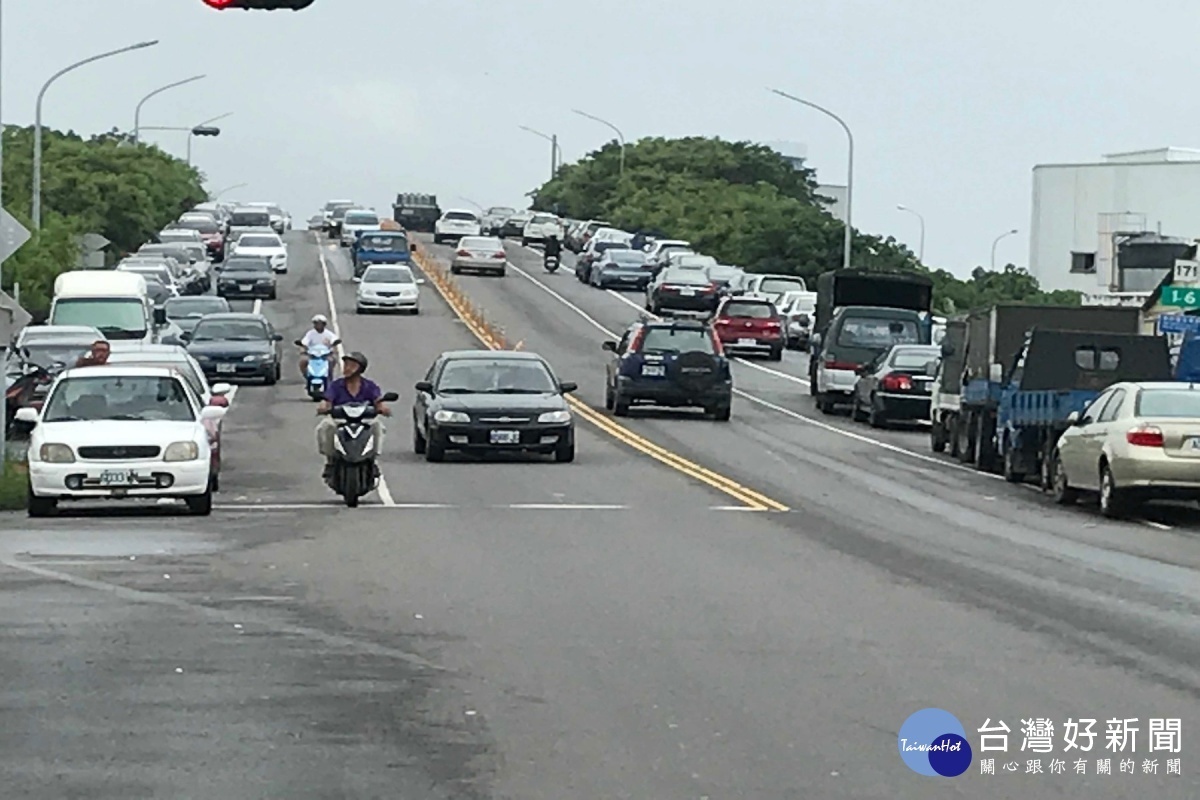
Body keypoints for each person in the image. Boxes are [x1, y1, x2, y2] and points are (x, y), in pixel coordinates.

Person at [315, 351, 391, 478]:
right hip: (340, 420)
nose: (347, 368)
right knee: (325, 427)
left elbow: (378, 402)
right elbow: (327, 401)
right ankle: (330, 461)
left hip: (364, 421)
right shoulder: (336, 385)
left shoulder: (369, 386)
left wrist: (383, 408)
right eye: (346, 364)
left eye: (351, 365)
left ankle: (373, 460)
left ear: (360, 368)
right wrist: (323, 407)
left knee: (378, 427)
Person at [298, 314, 339, 378]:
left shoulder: (328, 334)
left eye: (320, 324)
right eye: (316, 323)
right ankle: (307, 377)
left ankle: (329, 377)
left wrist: (333, 347)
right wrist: (303, 349)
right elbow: (304, 342)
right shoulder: (310, 334)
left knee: (331, 361)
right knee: (303, 361)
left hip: (325, 355)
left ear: (324, 324)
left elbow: (334, 340)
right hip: (312, 355)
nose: (318, 325)